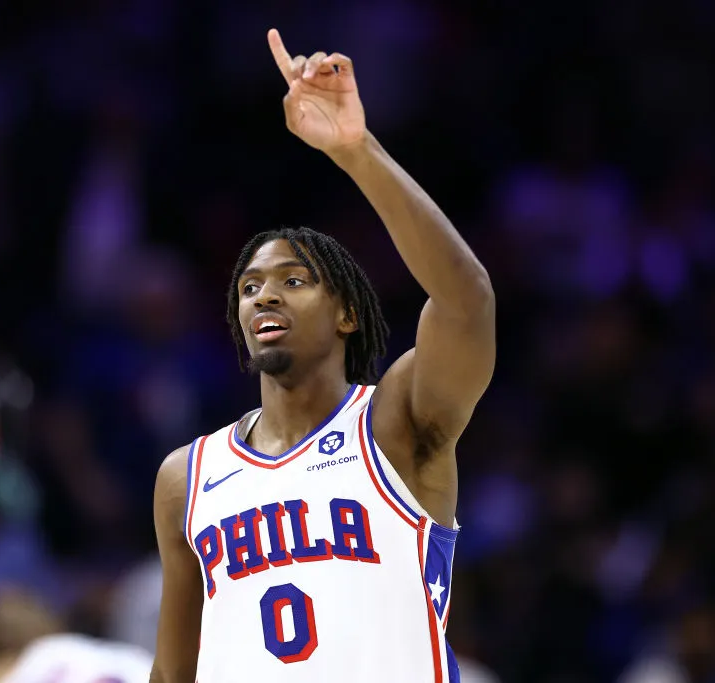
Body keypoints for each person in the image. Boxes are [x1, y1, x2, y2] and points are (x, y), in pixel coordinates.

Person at [150, 28, 495, 683]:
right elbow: (173, 674)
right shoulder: (185, 478)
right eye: (249, 287)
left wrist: (355, 151)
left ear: (348, 314)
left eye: (293, 280)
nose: (264, 297)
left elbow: (467, 300)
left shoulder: (393, 424)